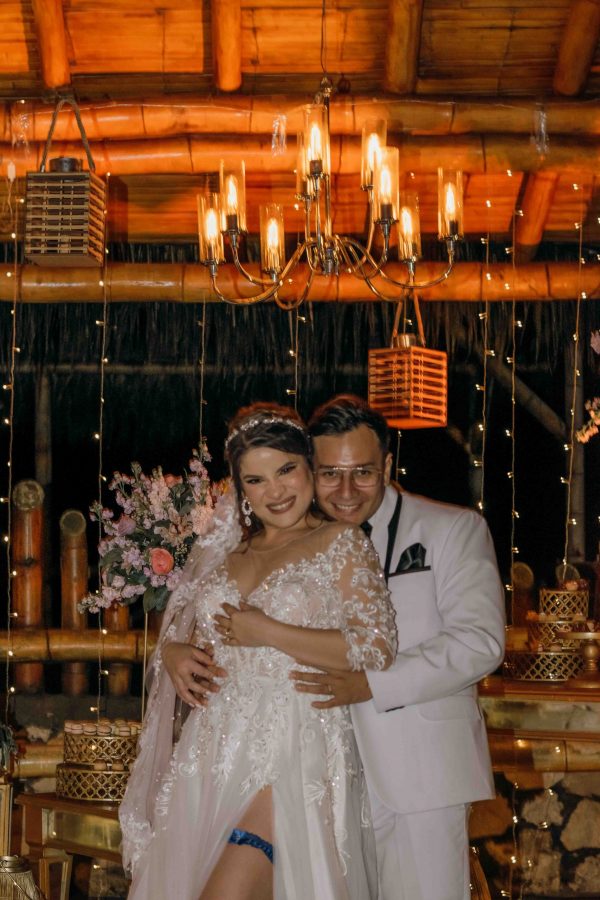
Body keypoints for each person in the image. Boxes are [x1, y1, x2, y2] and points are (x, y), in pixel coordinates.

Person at [119, 403, 397, 900]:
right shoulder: (229, 556)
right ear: (241, 489)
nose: (276, 491)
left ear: (309, 466)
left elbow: (375, 647)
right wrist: (176, 653)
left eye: (286, 470)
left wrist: (269, 630)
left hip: (292, 749)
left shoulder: (342, 542)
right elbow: (206, 644)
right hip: (212, 752)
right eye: (256, 480)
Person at [291, 394, 505, 900]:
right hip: (319, 776)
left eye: (362, 473)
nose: (346, 491)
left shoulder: (453, 528)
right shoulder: (293, 544)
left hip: (423, 772)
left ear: (387, 466)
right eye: (330, 474)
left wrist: (372, 685)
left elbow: (481, 642)